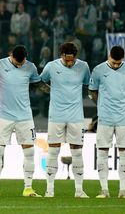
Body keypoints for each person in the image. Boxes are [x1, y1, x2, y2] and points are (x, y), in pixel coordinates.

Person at [0, 45, 42, 197]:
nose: (19, 65)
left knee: (29, 152)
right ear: (10, 55)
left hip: (25, 116)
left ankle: (28, 188)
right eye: (17, 62)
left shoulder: (31, 67)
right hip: (4, 115)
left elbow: (37, 84)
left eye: (21, 62)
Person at [39, 42, 91, 198]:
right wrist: (51, 91)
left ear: (76, 56)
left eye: (72, 60)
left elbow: (88, 85)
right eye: (67, 59)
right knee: (53, 151)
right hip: (56, 115)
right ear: (61, 55)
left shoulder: (83, 66)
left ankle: (79, 190)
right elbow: (41, 82)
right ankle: (49, 190)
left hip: (76, 116)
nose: (70, 63)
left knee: (77, 152)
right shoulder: (51, 66)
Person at [88, 45, 125, 199]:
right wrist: (103, 105)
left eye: (118, 63)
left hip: (124, 119)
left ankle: (123, 190)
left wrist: (123, 105)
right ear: (109, 56)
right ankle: (104, 190)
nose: (116, 65)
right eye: (113, 62)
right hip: (104, 119)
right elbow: (92, 92)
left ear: (122, 59)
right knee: (102, 152)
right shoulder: (98, 70)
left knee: (124, 152)